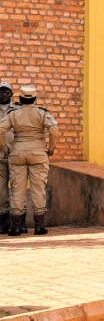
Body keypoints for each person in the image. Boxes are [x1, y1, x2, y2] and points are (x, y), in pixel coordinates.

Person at [0, 86, 57, 236]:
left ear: (19, 99)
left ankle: (16, 227)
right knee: (38, 189)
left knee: (18, 190)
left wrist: (5, 147)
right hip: (38, 152)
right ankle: (39, 226)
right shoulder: (41, 113)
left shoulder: (14, 113)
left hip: (17, 152)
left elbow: (1, 129)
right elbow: (54, 128)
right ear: (34, 99)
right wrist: (51, 148)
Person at [0, 82, 14, 234]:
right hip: (0, 157)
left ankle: (18, 223)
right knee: (1, 192)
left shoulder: (18, 110)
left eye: (6, 91)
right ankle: (3, 223)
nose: (4, 94)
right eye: (1, 91)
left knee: (18, 190)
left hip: (15, 154)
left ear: (12, 94)